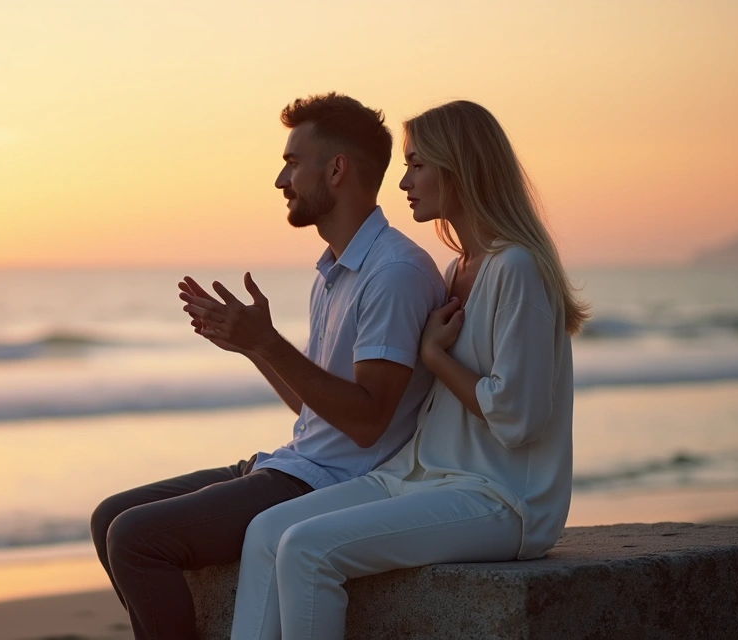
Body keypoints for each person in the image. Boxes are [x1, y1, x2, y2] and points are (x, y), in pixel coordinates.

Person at [229, 99, 592, 640]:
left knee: (307, 550)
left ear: (460, 167)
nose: (403, 183)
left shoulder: (516, 268)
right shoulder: (458, 268)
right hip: (422, 475)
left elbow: (517, 418)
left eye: (417, 164)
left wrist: (435, 358)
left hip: (503, 498)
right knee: (265, 532)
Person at [89, 93, 445, 640]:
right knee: (109, 515)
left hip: (334, 483)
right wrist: (252, 346)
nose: (282, 180)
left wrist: (270, 342)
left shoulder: (393, 272)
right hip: (297, 460)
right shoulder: (336, 269)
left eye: (292, 162)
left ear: (336, 169)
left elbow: (370, 420)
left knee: (135, 539)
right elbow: (315, 405)